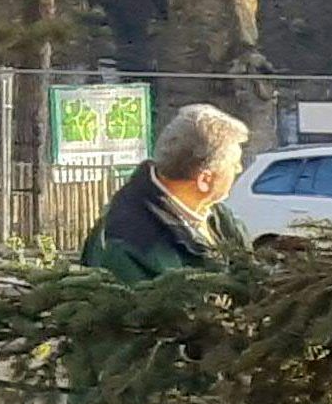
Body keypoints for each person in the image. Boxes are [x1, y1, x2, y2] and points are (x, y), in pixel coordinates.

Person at [83, 104, 251, 279]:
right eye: (234, 164)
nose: (239, 169)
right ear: (204, 180)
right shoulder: (125, 242)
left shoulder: (216, 215)